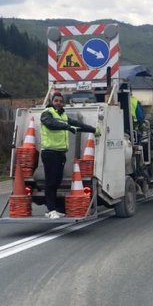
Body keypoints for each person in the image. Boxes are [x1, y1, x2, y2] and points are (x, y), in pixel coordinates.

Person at [40, 91, 100, 219]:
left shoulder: (63, 116)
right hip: (50, 152)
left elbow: (78, 125)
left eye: (61, 101)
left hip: (60, 153)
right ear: (51, 101)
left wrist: (93, 130)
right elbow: (51, 125)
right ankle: (50, 210)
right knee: (51, 182)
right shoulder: (47, 113)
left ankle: (54, 208)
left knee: (57, 181)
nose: (59, 103)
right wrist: (67, 127)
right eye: (56, 101)